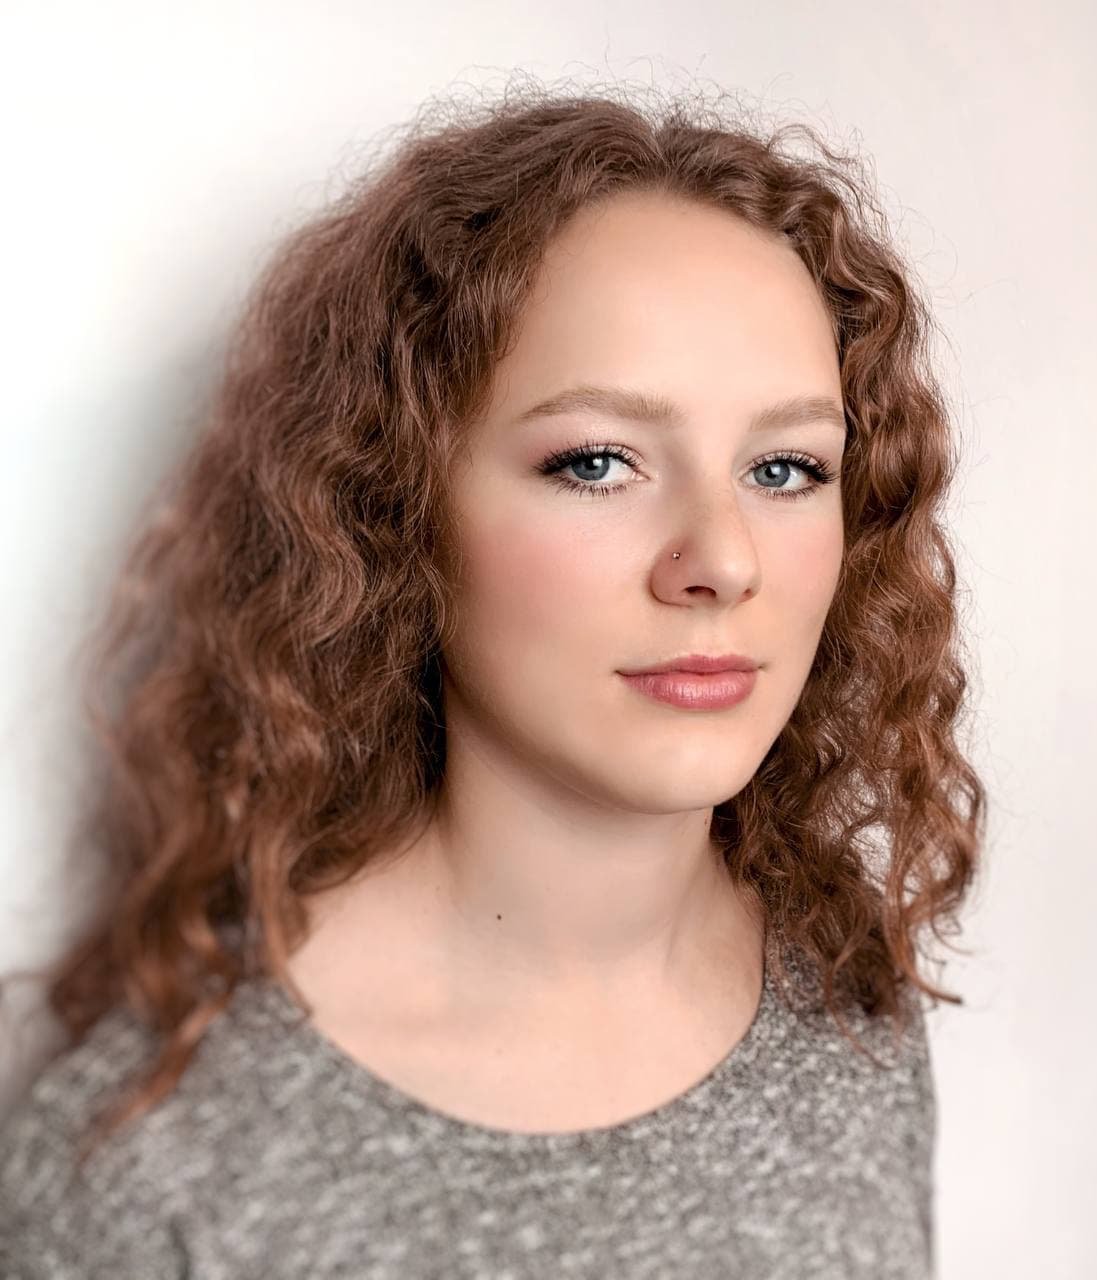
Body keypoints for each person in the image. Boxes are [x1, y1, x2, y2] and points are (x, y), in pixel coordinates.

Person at [0, 80, 986, 1278]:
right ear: (397, 503)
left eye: (784, 468)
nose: (722, 561)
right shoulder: (166, 1157)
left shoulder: (847, 1003)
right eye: (596, 461)